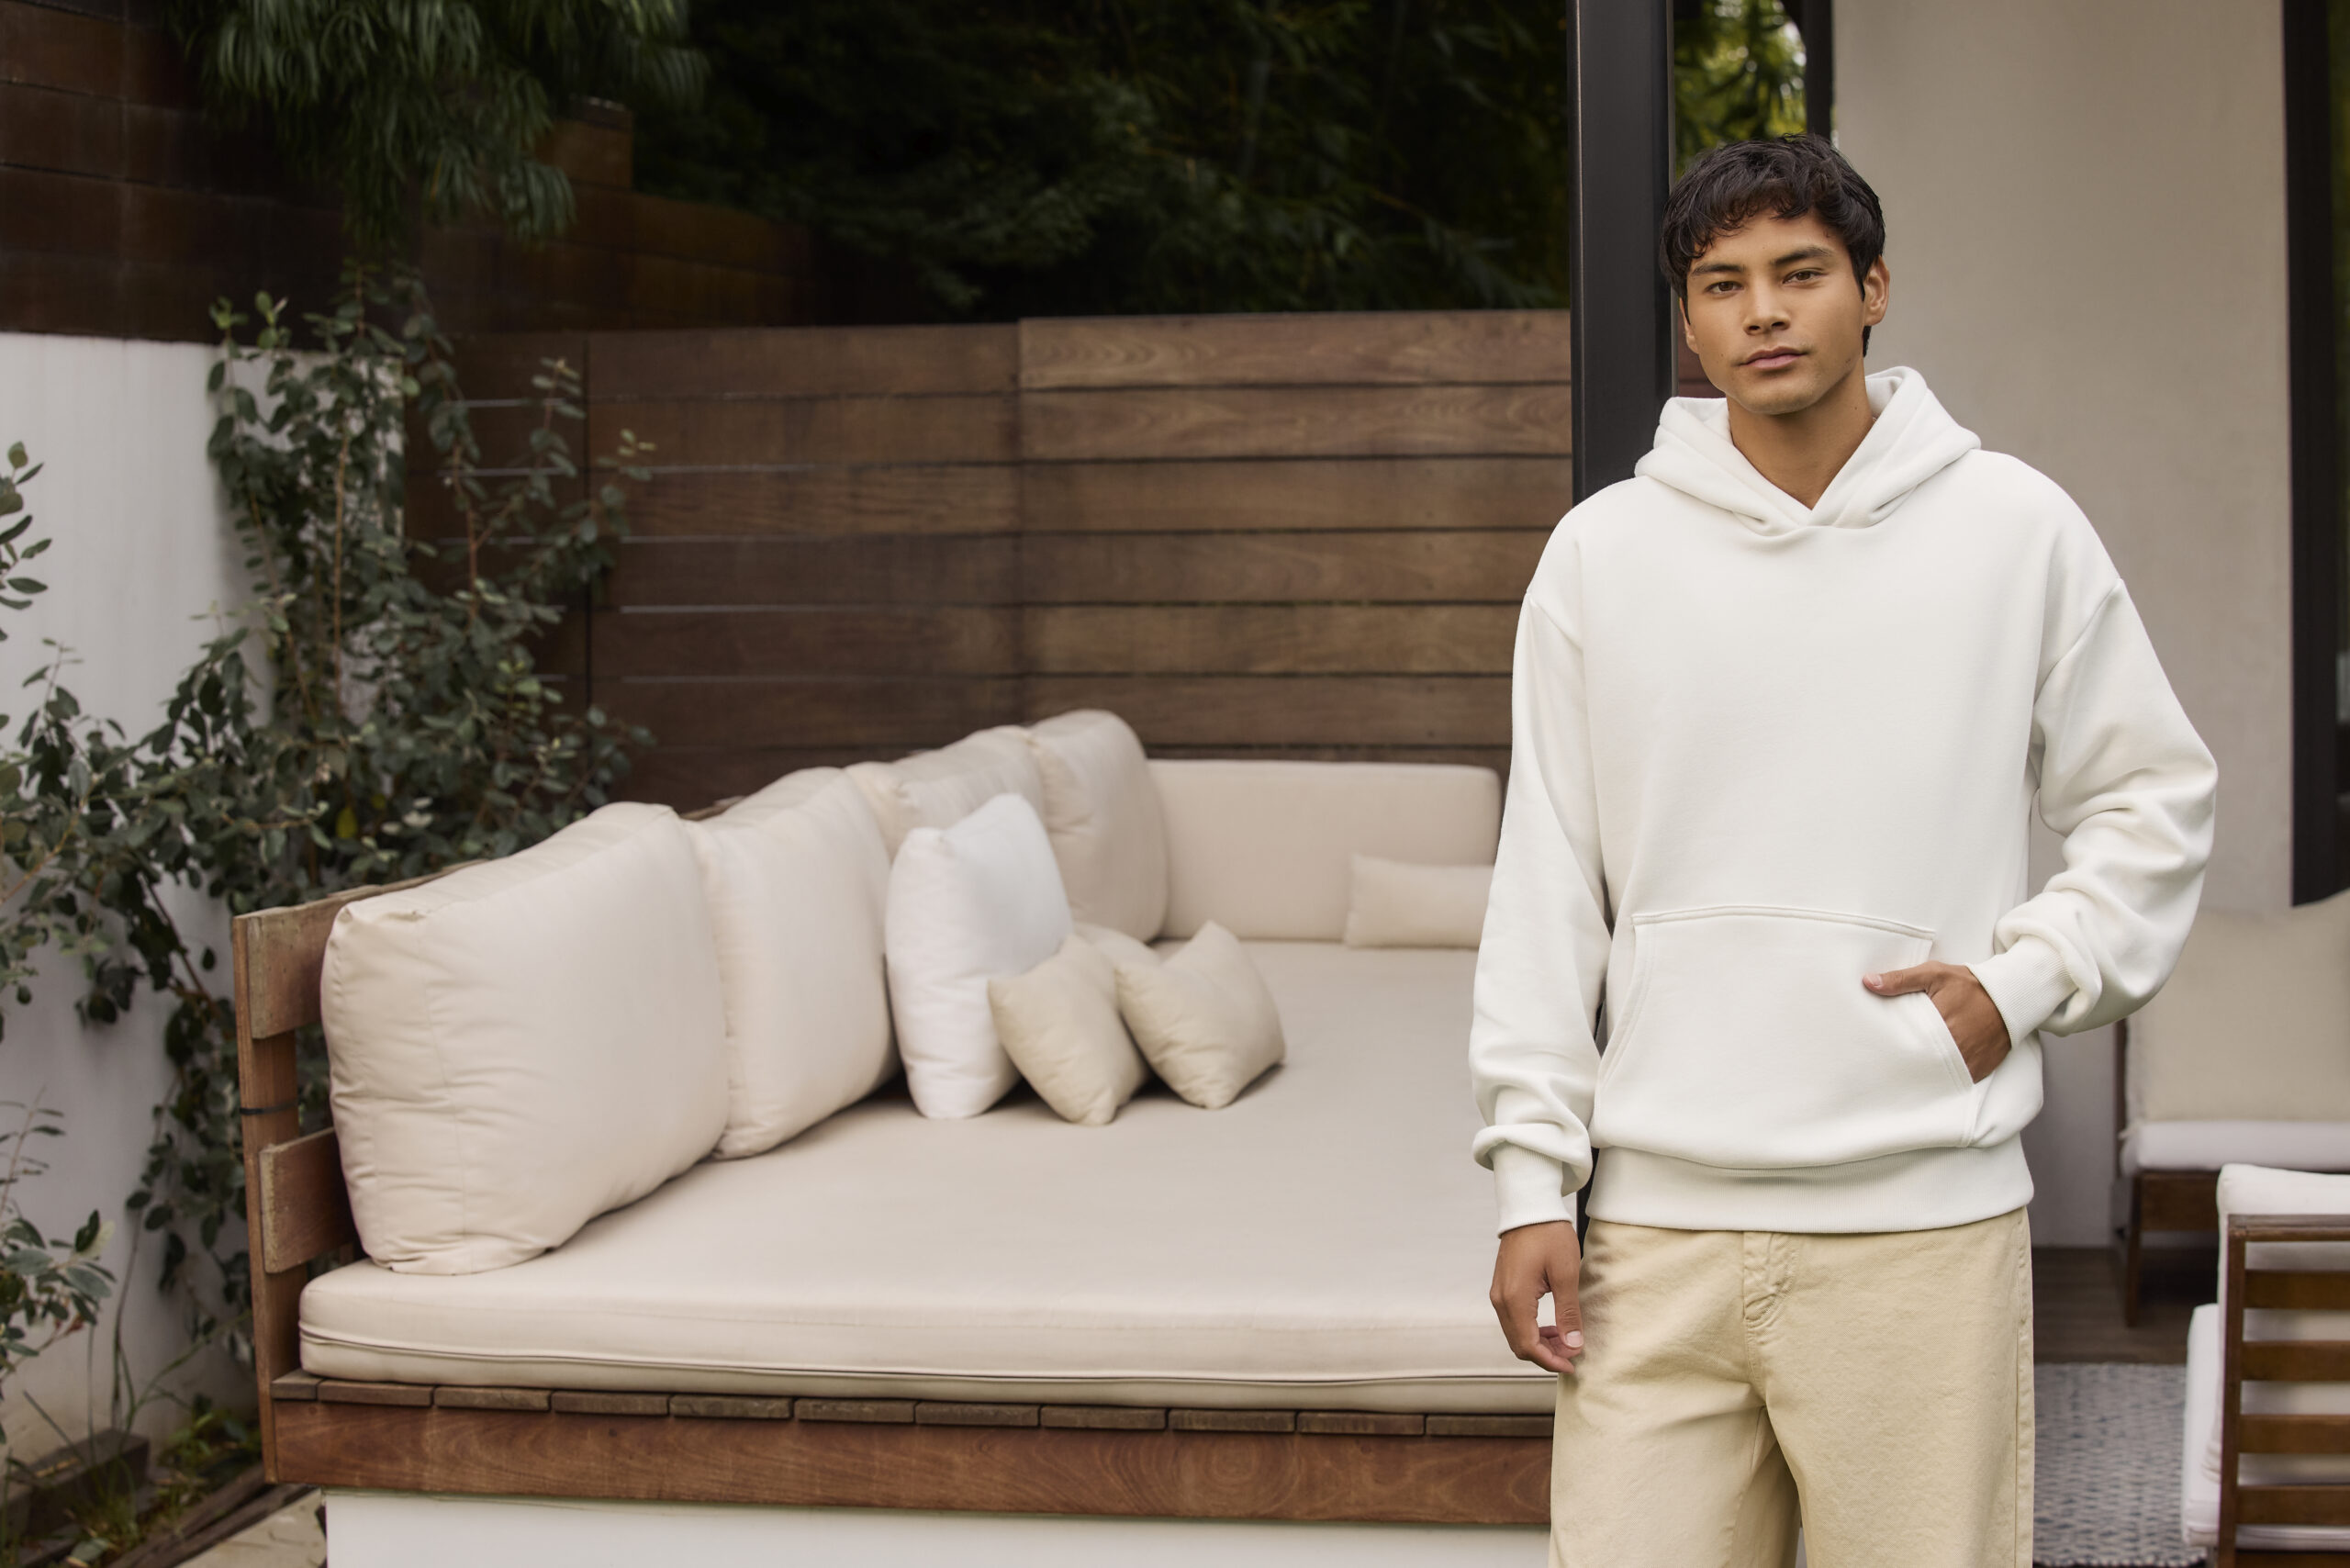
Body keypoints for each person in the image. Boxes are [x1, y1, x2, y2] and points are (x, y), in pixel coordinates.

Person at [1467, 133, 2219, 1567]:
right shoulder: (1601, 556)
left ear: (1872, 290)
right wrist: (1529, 1184)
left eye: (1799, 272)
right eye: (1722, 284)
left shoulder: (2016, 530)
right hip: (1654, 1234)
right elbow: (1546, 884)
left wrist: (2024, 981)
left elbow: (2155, 796)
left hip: (1921, 1231)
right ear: (1689, 322)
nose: (1763, 311)